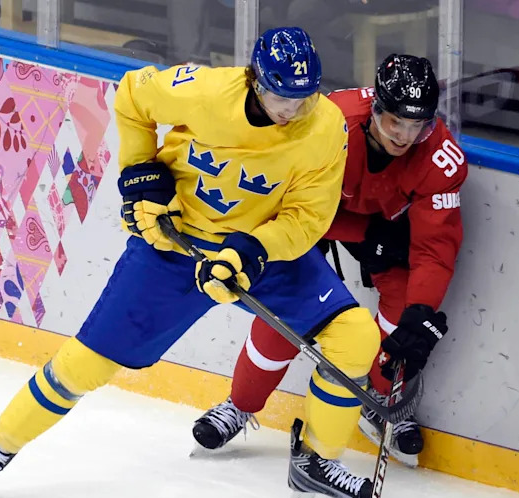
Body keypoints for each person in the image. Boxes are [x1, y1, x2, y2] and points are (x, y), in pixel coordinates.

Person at [0, 27, 383, 498]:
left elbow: (308, 217)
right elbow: (132, 96)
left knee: (355, 335)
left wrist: (251, 252)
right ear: (256, 80)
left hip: (260, 254)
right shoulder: (205, 91)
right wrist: (139, 171)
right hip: (175, 246)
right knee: (84, 363)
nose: (292, 110)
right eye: (281, 96)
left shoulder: (326, 129)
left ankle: (315, 464)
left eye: (303, 98)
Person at [192, 54, 467, 469]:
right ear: (376, 108)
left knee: (407, 311)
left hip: (386, 226)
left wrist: (421, 313)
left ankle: (376, 398)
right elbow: (284, 196)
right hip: (310, 218)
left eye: (418, 125)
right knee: (287, 315)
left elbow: (435, 248)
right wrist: (359, 234)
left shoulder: (440, 157)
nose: (405, 136)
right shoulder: (328, 119)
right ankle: (241, 404)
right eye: (396, 122)